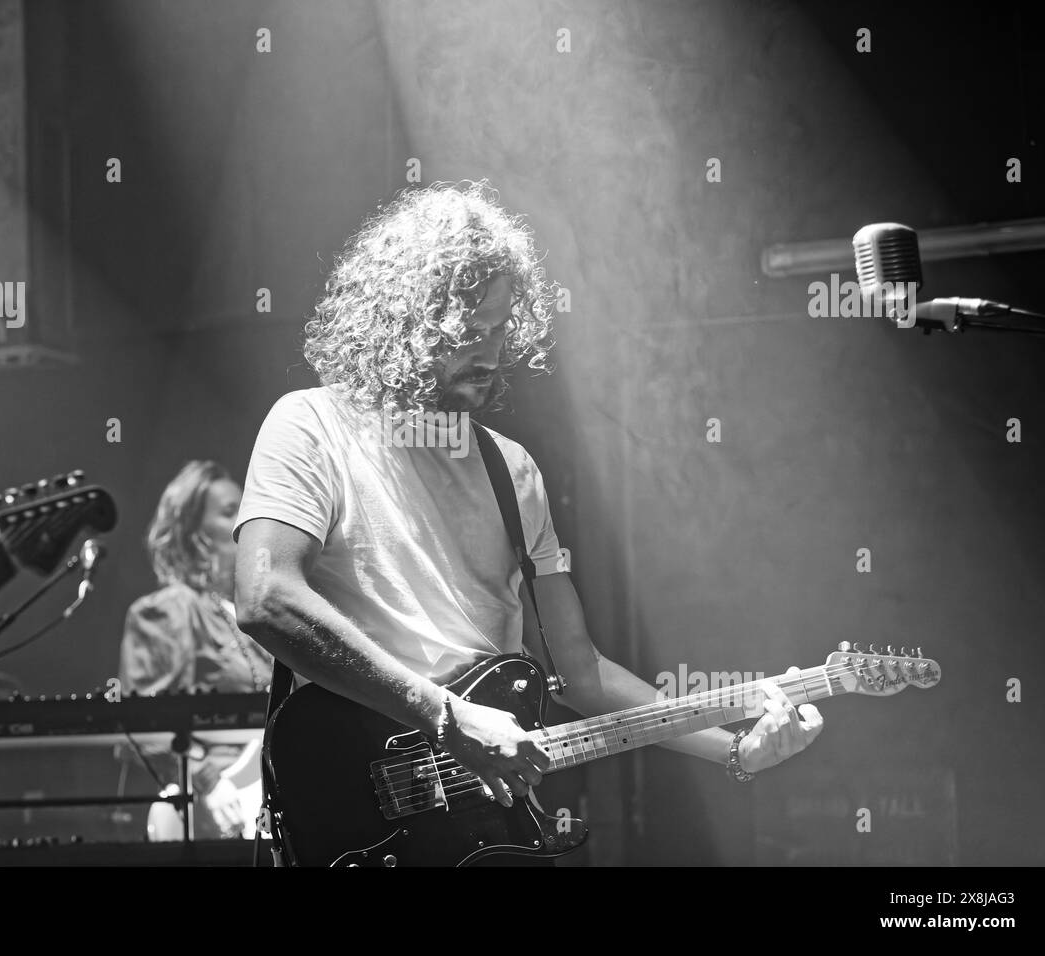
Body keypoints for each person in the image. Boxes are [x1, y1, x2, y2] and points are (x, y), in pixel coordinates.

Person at [232, 181, 824, 859]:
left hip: (489, 826)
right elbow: (266, 598)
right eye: (467, 332)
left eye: (499, 328)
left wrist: (736, 751)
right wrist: (447, 718)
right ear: (402, 320)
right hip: (362, 816)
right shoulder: (310, 425)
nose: (490, 353)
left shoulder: (511, 471)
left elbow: (579, 674)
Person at [119, 461, 273, 839]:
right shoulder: (171, 610)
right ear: (194, 534)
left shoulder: (254, 612)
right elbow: (146, 726)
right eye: (228, 511)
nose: (245, 520)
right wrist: (209, 782)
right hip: (211, 813)